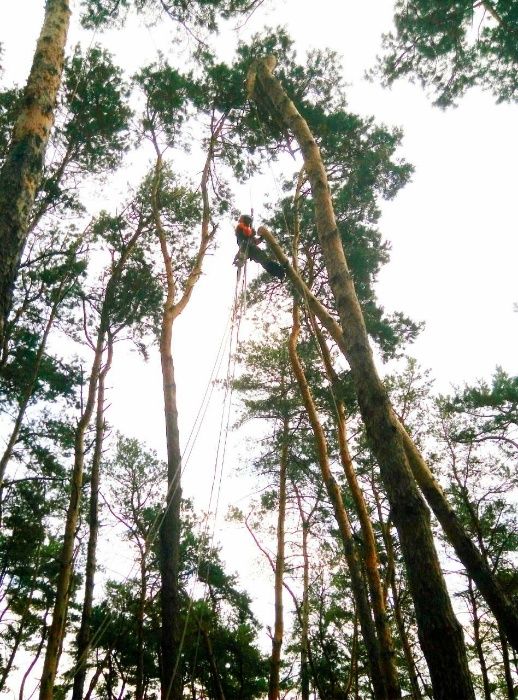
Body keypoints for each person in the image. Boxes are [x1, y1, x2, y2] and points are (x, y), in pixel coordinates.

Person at [233, 214, 285, 279]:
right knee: (265, 261)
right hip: (247, 247)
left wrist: (261, 237)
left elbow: (256, 241)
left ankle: (278, 272)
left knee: (264, 262)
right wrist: (252, 232)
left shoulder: (249, 235)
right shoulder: (240, 226)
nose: (239, 220)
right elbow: (248, 233)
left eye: (241, 218)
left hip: (251, 250)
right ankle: (279, 271)